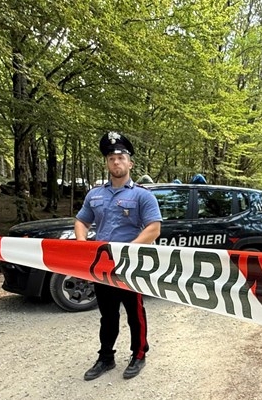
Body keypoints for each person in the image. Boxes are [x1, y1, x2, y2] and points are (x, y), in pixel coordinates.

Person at [75, 131, 162, 381]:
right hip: (102, 266)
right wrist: (82, 245)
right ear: (107, 163)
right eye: (111, 157)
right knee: (108, 314)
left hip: (130, 265)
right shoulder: (95, 195)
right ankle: (106, 357)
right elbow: (81, 221)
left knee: (135, 313)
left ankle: (139, 354)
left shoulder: (142, 196)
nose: (116, 161)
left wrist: (128, 250)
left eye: (121, 157)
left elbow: (154, 228)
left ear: (130, 163)